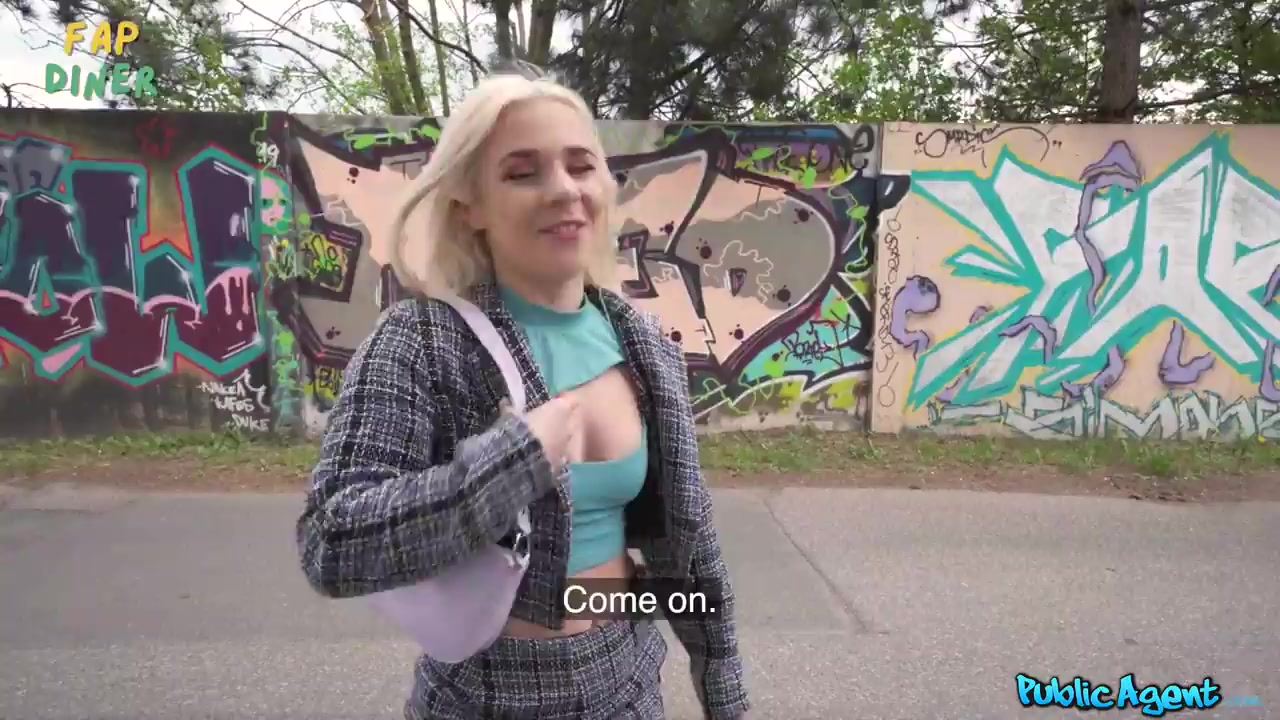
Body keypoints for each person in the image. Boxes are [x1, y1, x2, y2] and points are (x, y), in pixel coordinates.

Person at [295, 69, 752, 720]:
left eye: (581, 165)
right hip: (482, 698)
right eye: (522, 172)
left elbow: (691, 538)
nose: (563, 190)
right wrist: (506, 466)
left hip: (629, 686)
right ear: (470, 205)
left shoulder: (645, 345)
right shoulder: (421, 340)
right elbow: (331, 543)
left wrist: (722, 682)